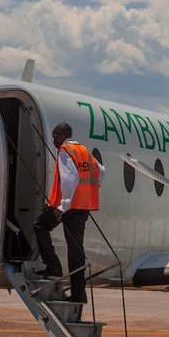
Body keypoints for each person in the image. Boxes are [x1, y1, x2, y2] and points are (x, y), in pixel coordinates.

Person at [32, 123, 105, 303]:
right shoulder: (84, 151)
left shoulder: (65, 151)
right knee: (76, 249)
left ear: (61, 135)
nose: (53, 141)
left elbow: (69, 178)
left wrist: (63, 205)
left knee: (40, 225)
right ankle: (79, 293)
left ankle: (53, 266)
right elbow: (101, 172)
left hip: (66, 205)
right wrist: (86, 191)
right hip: (83, 206)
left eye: (54, 137)